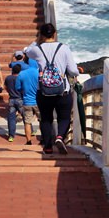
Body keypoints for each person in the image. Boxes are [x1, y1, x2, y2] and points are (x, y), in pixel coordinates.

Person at [26, 23, 79, 155]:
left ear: (41, 35)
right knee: (64, 117)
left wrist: (37, 41)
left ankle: (48, 146)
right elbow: (73, 71)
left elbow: (25, 51)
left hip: (44, 91)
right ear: (54, 34)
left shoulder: (37, 49)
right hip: (62, 90)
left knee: (46, 119)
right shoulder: (64, 48)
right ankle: (60, 137)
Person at [14, 53, 40, 146]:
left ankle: (28, 141)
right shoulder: (38, 73)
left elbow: (17, 87)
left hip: (27, 101)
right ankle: (44, 139)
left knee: (27, 122)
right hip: (39, 101)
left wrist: (24, 90)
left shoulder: (22, 74)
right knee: (42, 120)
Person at [4, 63, 33, 144]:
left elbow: (5, 87)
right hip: (20, 99)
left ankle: (11, 136)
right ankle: (31, 131)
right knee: (26, 117)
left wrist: (10, 92)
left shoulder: (8, 78)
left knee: (11, 118)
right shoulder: (21, 78)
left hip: (12, 99)